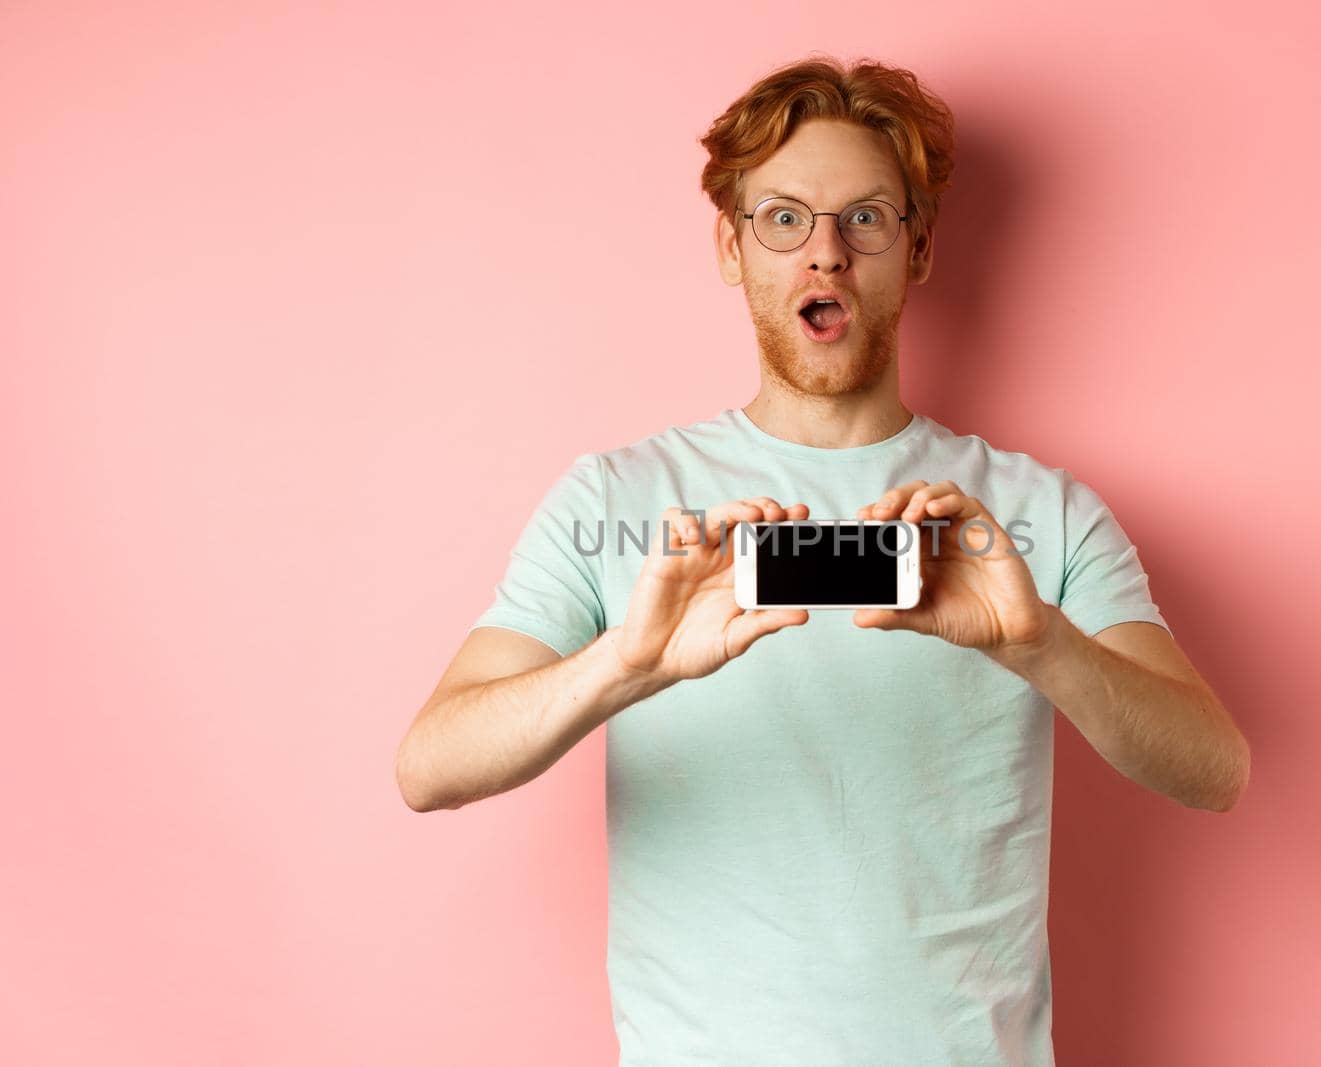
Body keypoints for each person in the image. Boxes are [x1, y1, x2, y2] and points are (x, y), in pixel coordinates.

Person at [395, 54, 1250, 1066]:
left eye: (865, 219)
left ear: (917, 247)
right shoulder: (616, 501)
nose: (826, 254)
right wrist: (623, 665)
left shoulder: (1036, 514)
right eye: (784, 218)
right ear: (733, 246)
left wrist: (1041, 645)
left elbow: (1214, 770)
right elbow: (429, 766)